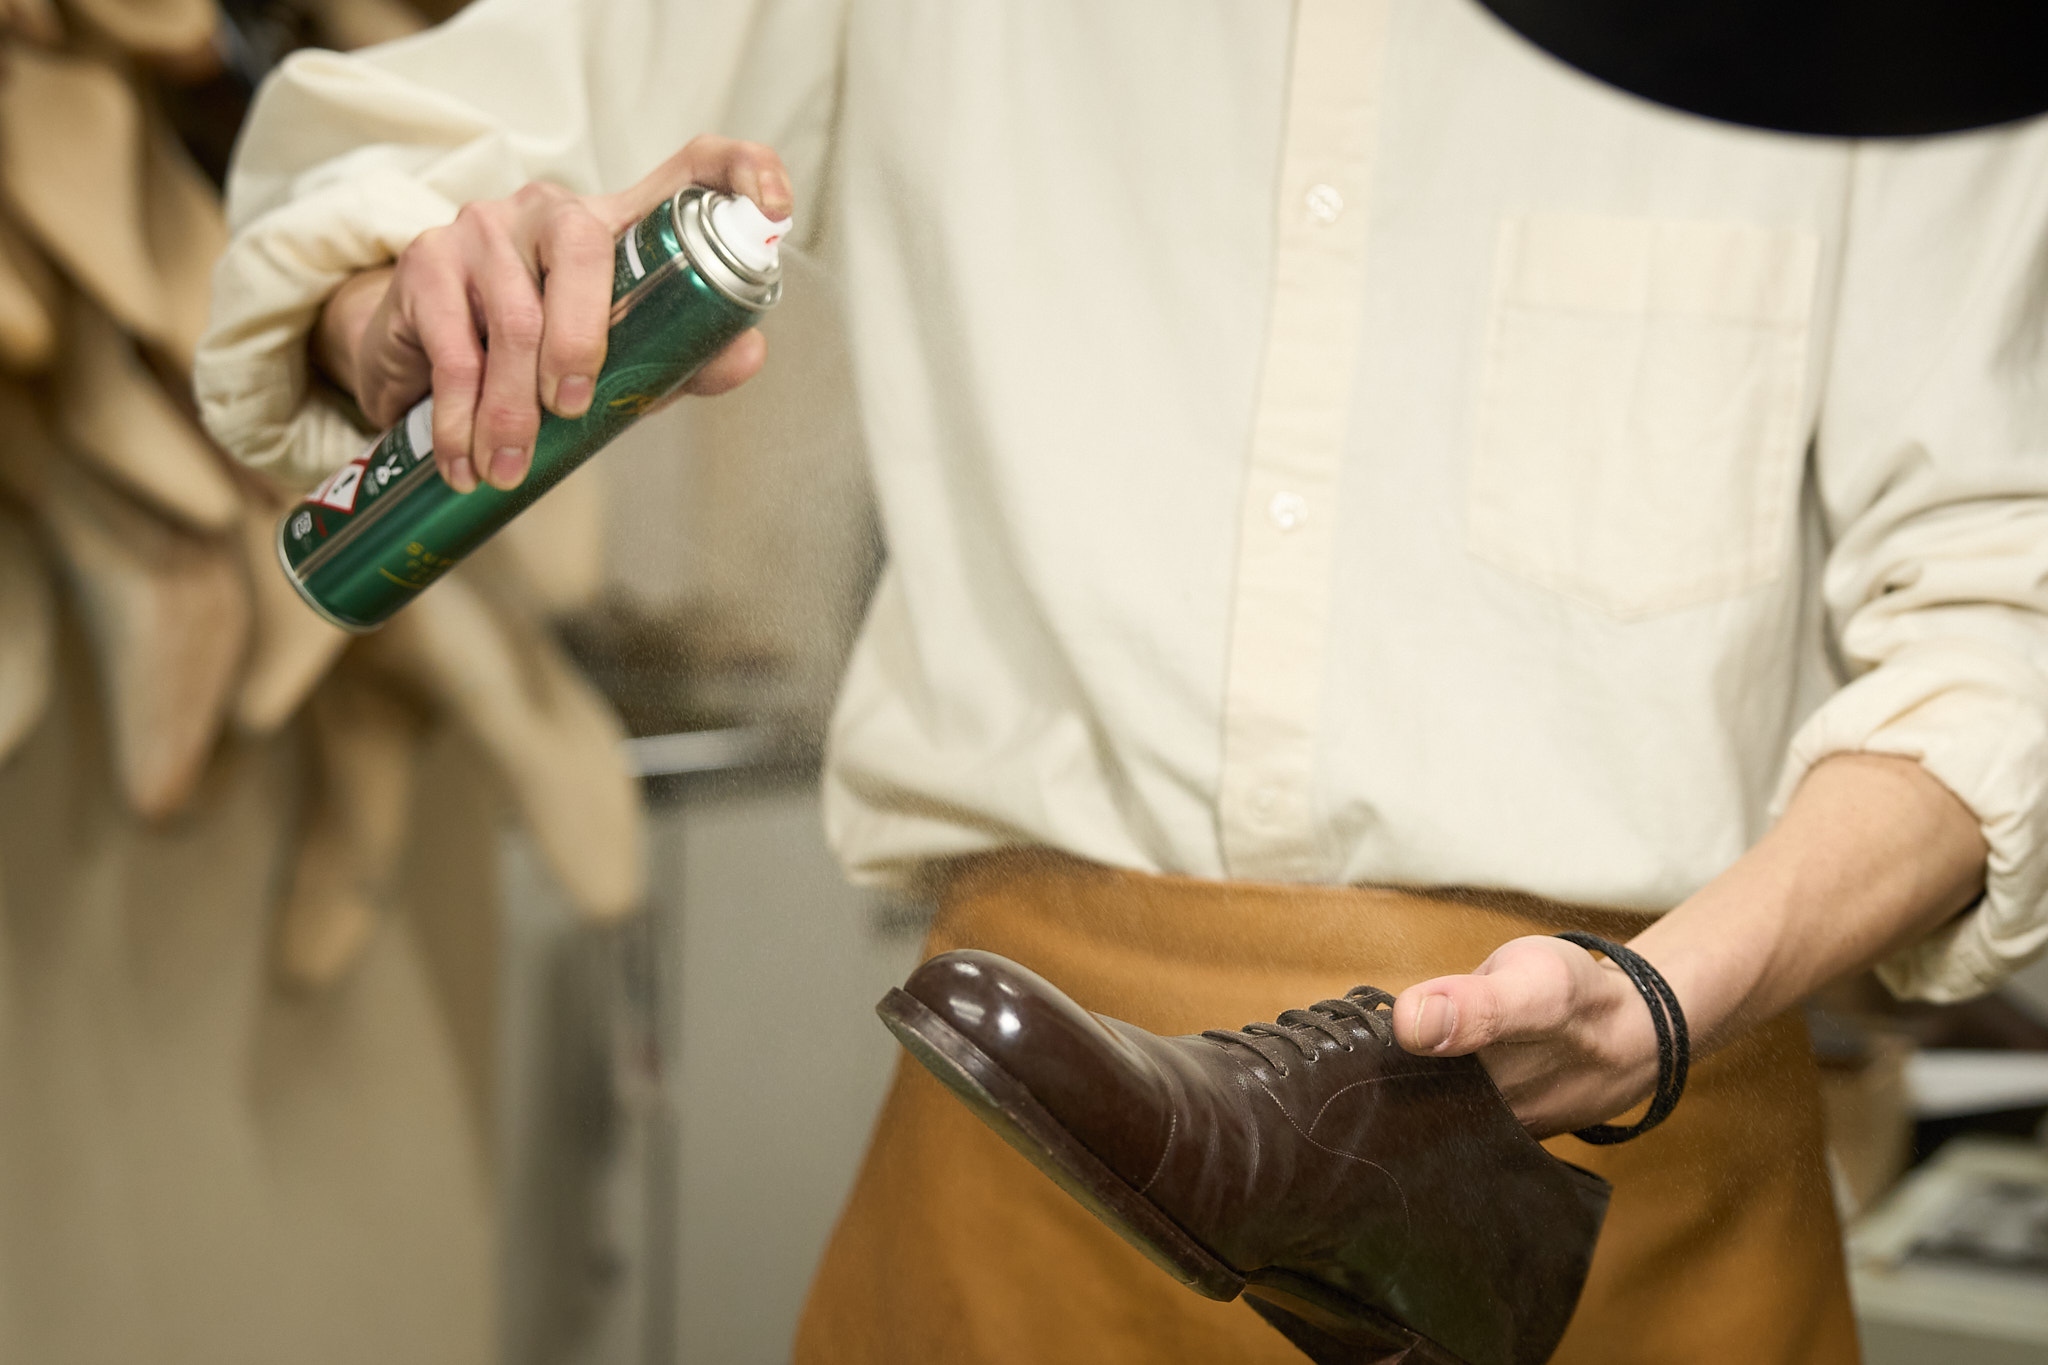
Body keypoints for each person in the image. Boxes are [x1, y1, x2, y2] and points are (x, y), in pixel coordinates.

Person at [197, 0, 2048, 1360]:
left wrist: (1662, 996)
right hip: (1030, 1185)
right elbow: (407, 152)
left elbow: (2008, 607)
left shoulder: (1890, 64)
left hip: (1622, 1197)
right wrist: (418, 307)